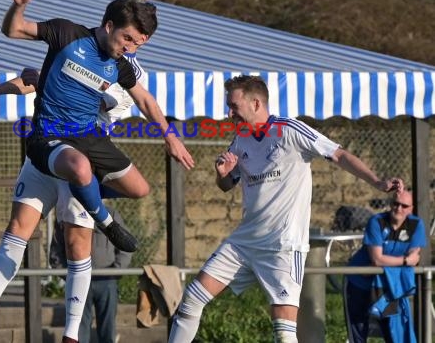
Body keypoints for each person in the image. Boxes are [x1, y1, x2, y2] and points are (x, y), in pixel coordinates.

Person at [168, 75, 404, 343]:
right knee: (190, 301)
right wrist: (222, 174)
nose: (229, 113)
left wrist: (377, 181)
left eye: (234, 106)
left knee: (284, 332)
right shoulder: (240, 140)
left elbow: (338, 154)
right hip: (244, 242)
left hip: (283, 245)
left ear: (256, 103)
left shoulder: (290, 130)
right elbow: (226, 184)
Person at [0, 54, 147, 343]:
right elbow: (44, 78)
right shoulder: (81, 48)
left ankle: (71, 335)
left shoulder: (128, 71)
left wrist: (43, 81)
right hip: (44, 152)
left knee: (77, 244)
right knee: (17, 227)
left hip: (78, 160)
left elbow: (75, 97)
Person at [1, 0, 193, 253]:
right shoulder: (72, 39)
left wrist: (171, 136)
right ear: (110, 26)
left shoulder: (125, 70)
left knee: (139, 189)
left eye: (137, 44)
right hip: (57, 143)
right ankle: (104, 218)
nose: (130, 48)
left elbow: (145, 101)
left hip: (93, 144)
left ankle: (86, 194)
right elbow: (38, 70)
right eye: (128, 39)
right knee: (69, 242)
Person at [345, 189, 426, 343]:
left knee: (393, 333)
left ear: (411, 209)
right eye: (395, 204)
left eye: (404, 205)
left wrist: (392, 262)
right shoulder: (377, 221)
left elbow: (414, 258)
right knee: (358, 333)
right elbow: (377, 259)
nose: (399, 208)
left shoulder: (416, 225)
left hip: (388, 285)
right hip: (359, 282)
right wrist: (403, 261)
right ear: (390, 204)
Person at [50, 206, 132, 343]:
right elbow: (55, 253)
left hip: (106, 282)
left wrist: (116, 270)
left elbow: (126, 245)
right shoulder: (67, 214)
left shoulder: (110, 215)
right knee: (77, 330)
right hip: (78, 284)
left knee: (108, 329)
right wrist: (73, 278)